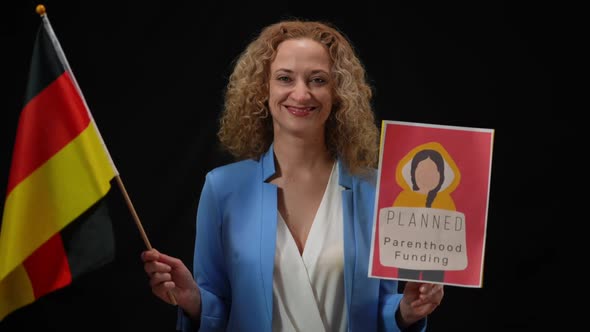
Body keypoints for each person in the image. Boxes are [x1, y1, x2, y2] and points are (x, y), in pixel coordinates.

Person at [142, 19, 444, 331]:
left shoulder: (377, 189)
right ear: (263, 89)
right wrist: (194, 300)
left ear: (339, 92)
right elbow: (220, 306)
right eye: (285, 78)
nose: (301, 94)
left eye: (318, 80)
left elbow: (380, 307)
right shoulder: (222, 188)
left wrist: (406, 310)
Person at [392, 142, 460, 282]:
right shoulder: (404, 197)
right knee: (405, 284)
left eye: (432, 171)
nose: (426, 175)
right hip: (407, 254)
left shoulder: (446, 201)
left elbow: (452, 232)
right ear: (413, 172)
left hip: (436, 257)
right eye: (421, 170)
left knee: (432, 285)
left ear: (440, 174)